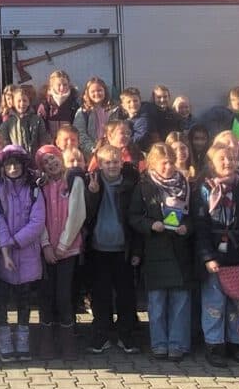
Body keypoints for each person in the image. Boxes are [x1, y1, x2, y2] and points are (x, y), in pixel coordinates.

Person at [193, 144, 239, 368]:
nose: (228, 163)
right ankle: (215, 345)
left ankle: (235, 342)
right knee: (214, 303)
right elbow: (200, 227)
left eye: (232, 159)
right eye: (222, 159)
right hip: (215, 256)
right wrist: (207, 257)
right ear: (211, 163)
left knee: (237, 303)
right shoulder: (204, 190)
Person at [129, 143, 194, 362]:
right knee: (156, 302)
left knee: (180, 302)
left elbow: (194, 216)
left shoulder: (185, 183)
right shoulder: (144, 186)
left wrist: (188, 227)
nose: (168, 166)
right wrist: (150, 224)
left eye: (171, 162)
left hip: (180, 251)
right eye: (163, 163)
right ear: (153, 164)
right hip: (156, 250)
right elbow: (134, 216)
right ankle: (159, 343)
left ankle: (178, 344)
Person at [0, 145, 45, 362]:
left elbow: (38, 221)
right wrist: (5, 249)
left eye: (17, 164)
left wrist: (16, 241)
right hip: (5, 255)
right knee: (3, 300)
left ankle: (22, 340)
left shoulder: (34, 188)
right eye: (8, 164)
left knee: (24, 300)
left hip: (28, 253)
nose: (13, 168)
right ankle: (4, 340)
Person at [85, 144, 141, 354]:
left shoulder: (130, 184)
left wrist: (136, 251)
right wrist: (92, 194)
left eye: (116, 161)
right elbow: (87, 216)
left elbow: (135, 220)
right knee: (100, 295)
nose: (112, 166)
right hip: (98, 249)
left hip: (123, 249)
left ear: (122, 162)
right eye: (107, 162)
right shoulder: (91, 182)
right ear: (99, 164)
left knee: (126, 294)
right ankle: (102, 333)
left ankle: (126, 335)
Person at [33, 145, 84, 361]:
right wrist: (45, 245)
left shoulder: (74, 181)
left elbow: (77, 215)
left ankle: (68, 342)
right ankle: (47, 342)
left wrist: (63, 246)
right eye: (46, 162)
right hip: (46, 250)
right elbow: (38, 216)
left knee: (64, 296)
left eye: (53, 158)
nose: (51, 164)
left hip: (68, 250)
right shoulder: (40, 187)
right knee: (46, 296)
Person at [0, 85, 49, 156]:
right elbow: (4, 143)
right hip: (16, 161)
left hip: (34, 159)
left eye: (25, 100)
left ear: (29, 102)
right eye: (19, 101)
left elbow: (43, 140)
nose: (22, 104)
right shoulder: (7, 123)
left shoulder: (37, 120)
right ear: (13, 103)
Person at [73, 77, 114, 158]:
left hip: (111, 151)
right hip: (92, 153)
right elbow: (80, 134)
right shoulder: (83, 111)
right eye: (93, 91)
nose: (97, 93)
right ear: (87, 93)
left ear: (105, 91)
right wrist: (93, 148)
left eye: (99, 90)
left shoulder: (113, 109)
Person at [37, 70, 80, 137]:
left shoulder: (73, 104)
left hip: (67, 141)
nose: (62, 88)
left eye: (65, 84)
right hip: (50, 141)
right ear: (52, 86)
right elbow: (41, 126)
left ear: (69, 85)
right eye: (59, 85)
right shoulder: (45, 104)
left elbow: (77, 126)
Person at [111, 88, 152, 152]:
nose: (132, 104)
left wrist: (123, 140)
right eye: (128, 102)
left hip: (139, 151)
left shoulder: (143, 119)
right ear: (123, 106)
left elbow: (140, 136)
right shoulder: (123, 119)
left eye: (135, 101)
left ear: (140, 102)